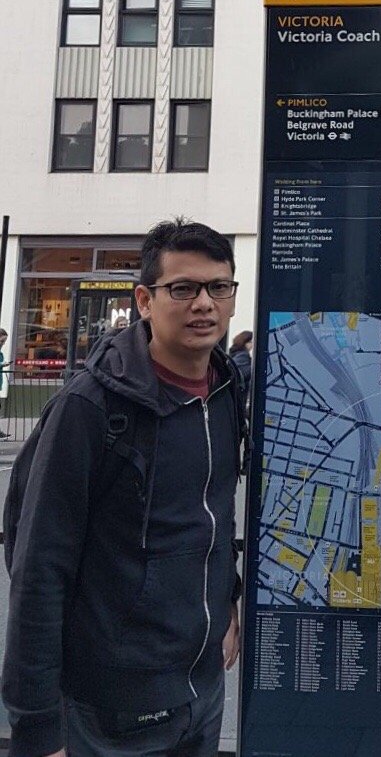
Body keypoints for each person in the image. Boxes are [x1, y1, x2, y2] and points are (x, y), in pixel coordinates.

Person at [2, 219, 246, 757]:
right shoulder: (90, 408)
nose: (204, 304)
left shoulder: (227, 391)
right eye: (182, 289)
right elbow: (39, 567)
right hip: (110, 708)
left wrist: (227, 597)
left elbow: (212, 515)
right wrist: (38, 729)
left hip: (202, 694)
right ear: (144, 299)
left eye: (218, 287)